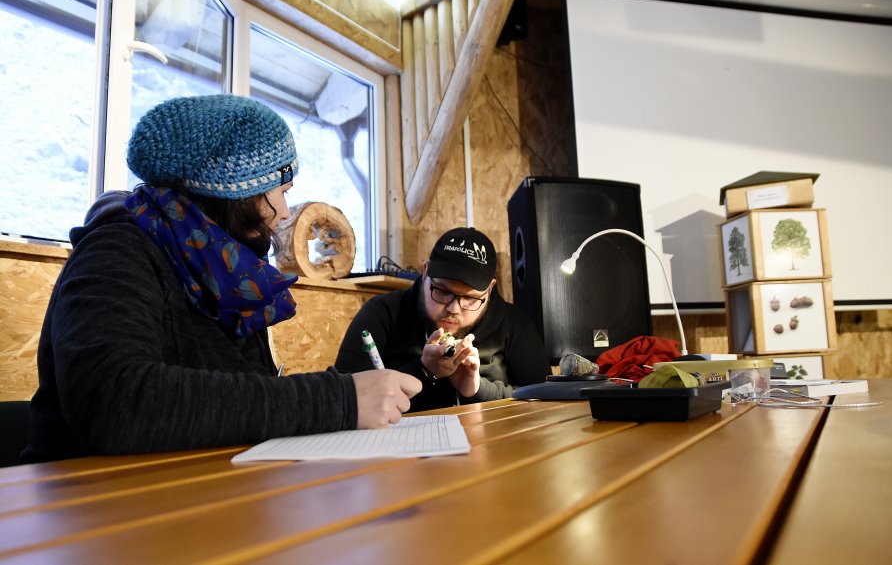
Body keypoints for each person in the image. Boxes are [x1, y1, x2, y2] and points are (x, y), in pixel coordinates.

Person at [22, 94, 420, 464]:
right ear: (236, 194)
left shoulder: (224, 269)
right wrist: (340, 400)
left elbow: (236, 399)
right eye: (280, 191)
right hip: (84, 509)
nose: (284, 212)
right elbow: (113, 403)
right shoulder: (117, 251)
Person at [334, 227, 550, 411]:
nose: (454, 308)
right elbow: (341, 396)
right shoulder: (382, 313)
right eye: (443, 291)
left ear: (490, 289)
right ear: (425, 271)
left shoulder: (514, 324)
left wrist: (477, 389)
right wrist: (424, 371)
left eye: (469, 298)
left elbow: (545, 398)